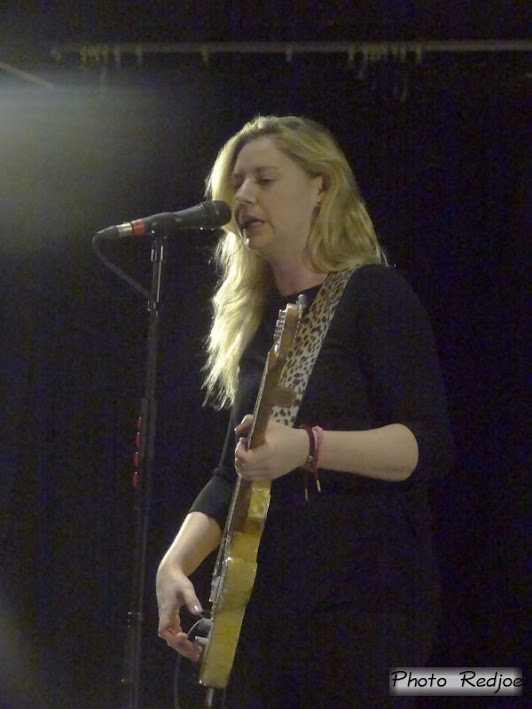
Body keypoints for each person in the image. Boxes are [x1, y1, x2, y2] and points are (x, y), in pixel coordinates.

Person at [156, 115, 453, 708]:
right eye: (236, 183)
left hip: (362, 611)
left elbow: (427, 446)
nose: (243, 196)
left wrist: (310, 446)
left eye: (265, 179)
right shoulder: (258, 324)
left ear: (322, 186)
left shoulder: (373, 295)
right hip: (266, 613)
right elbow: (231, 473)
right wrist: (174, 563)